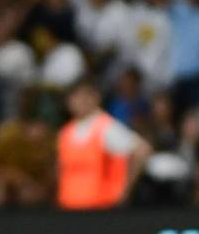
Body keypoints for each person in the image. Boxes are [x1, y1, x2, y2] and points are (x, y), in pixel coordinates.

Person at [56, 79, 152, 209]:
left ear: (96, 98)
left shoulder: (106, 127)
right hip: (69, 206)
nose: (81, 101)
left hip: (101, 209)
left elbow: (142, 150)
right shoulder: (65, 133)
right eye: (76, 96)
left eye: (86, 95)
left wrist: (125, 190)